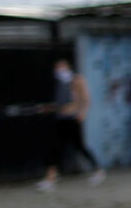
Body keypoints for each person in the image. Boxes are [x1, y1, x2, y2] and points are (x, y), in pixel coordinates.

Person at [37, 59, 105, 191]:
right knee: (54, 147)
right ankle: (51, 177)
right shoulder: (59, 84)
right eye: (57, 68)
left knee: (79, 146)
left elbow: (85, 99)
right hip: (60, 119)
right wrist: (49, 108)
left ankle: (98, 170)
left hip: (72, 119)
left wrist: (82, 113)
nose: (58, 70)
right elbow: (59, 104)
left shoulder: (76, 80)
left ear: (68, 67)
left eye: (61, 67)